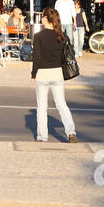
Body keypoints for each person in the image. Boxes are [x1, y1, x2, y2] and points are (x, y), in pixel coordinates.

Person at [30, 8, 77, 143]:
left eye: (42, 16)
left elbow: (36, 58)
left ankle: (42, 136)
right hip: (57, 73)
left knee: (42, 107)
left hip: (42, 73)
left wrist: (33, 74)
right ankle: (71, 132)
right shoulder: (61, 36)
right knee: (61, 104)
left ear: (46, 19)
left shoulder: (38, 36)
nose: (41, 19)